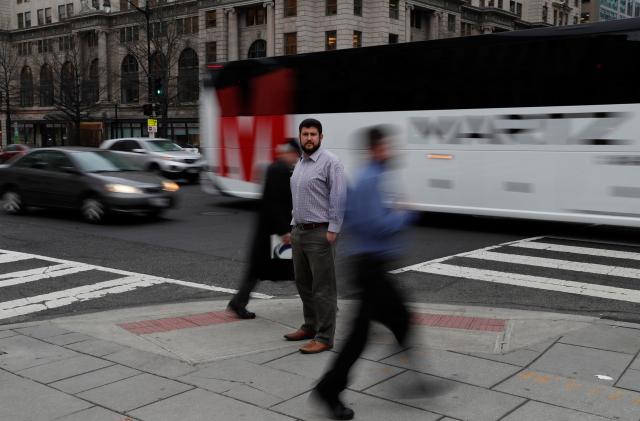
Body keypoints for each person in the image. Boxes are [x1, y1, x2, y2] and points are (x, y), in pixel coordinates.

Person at [312, 126, 415, 420]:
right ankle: (330, 389)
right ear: (374, 149)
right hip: (369, 267)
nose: (391, 150)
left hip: (370, 266)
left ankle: (410, 377)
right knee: (373, 330)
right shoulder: (371, 179)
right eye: (386, 146)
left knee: (392, 322)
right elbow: (374, 226)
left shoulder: (375, 177)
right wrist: (403, 214)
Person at [285, 118, 347, 354]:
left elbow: (339, 197)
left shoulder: (331, 163)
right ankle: (310, 326)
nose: (309, 138)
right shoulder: (301, 162)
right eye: (305, 134)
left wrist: (333, 230)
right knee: (303, 284)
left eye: (313, 134)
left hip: (320, 232)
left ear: (321, 137)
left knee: (323, 288)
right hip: (299, 232)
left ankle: (324, 336)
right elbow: (298, 197)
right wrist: (293, 226)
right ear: (300, 137)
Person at [227, 139, 301, 319]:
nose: (296, 160)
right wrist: (284, 231)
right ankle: (318, 302)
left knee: (263, 269)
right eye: (296, 156)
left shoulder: (276, 168)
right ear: (290, 153)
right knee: (297, 269)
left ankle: (238, 302)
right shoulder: (280, 170)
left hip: (269, 232)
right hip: (273, 233)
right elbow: (275, 203)